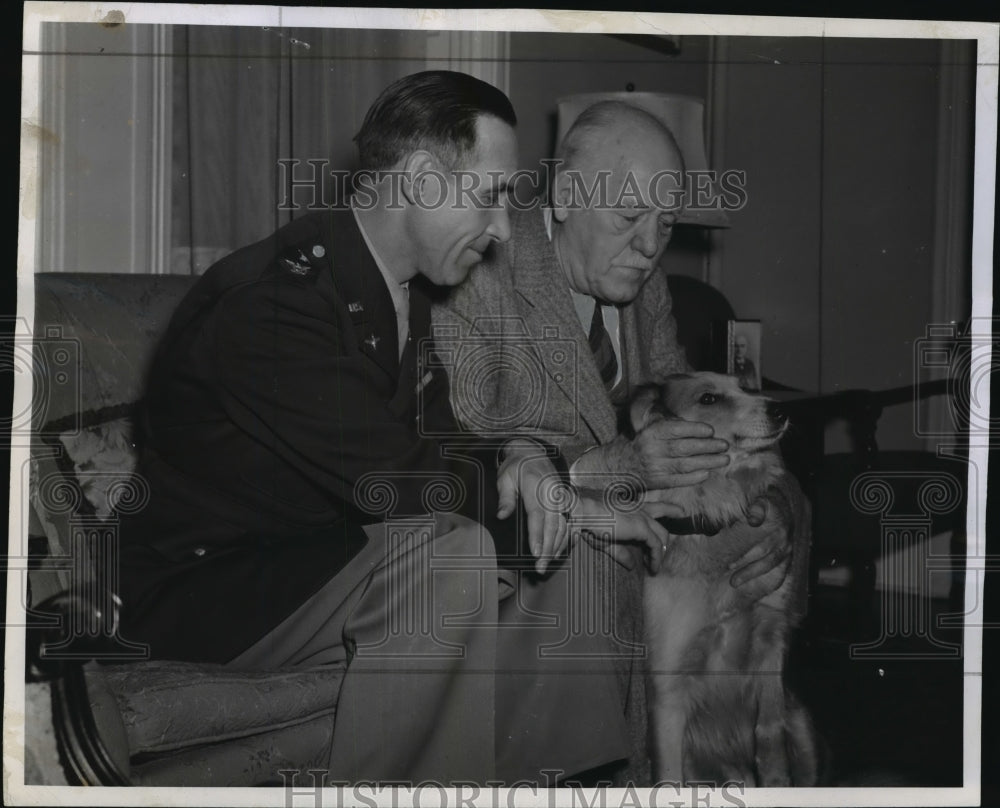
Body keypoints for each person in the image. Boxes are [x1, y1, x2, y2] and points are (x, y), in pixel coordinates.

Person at [116, 73, 673, 785]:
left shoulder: (395, 293)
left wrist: (528, 464)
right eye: (493, 198)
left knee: (560, 545)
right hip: (202, 592)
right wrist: (566, 494)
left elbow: (448, 440)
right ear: (421, 179)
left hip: (313, 559)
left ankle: (554, 785)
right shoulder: (274, 307)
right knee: (453, 551)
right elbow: (402, 480)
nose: (505, 230)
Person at [433, 100, 809, 782]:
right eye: (629, 217)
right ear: (569, 195)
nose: (649, 246)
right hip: (527, 570)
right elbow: (459, 455)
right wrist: (607, 467)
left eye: (666, 224)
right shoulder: (478, 272)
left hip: (645, 578)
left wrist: (776, 512)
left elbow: (706, 437)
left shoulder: (647, 289)